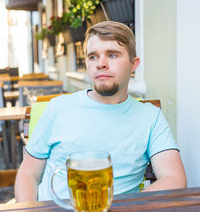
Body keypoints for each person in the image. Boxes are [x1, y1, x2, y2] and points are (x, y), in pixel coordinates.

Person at [15, 21, 186, 202]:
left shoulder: (150, 116)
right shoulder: (58, 108)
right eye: (93, 57)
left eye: (112, 55)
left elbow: (173, 178)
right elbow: (28, 174)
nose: (101, 64)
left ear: (134, 64)